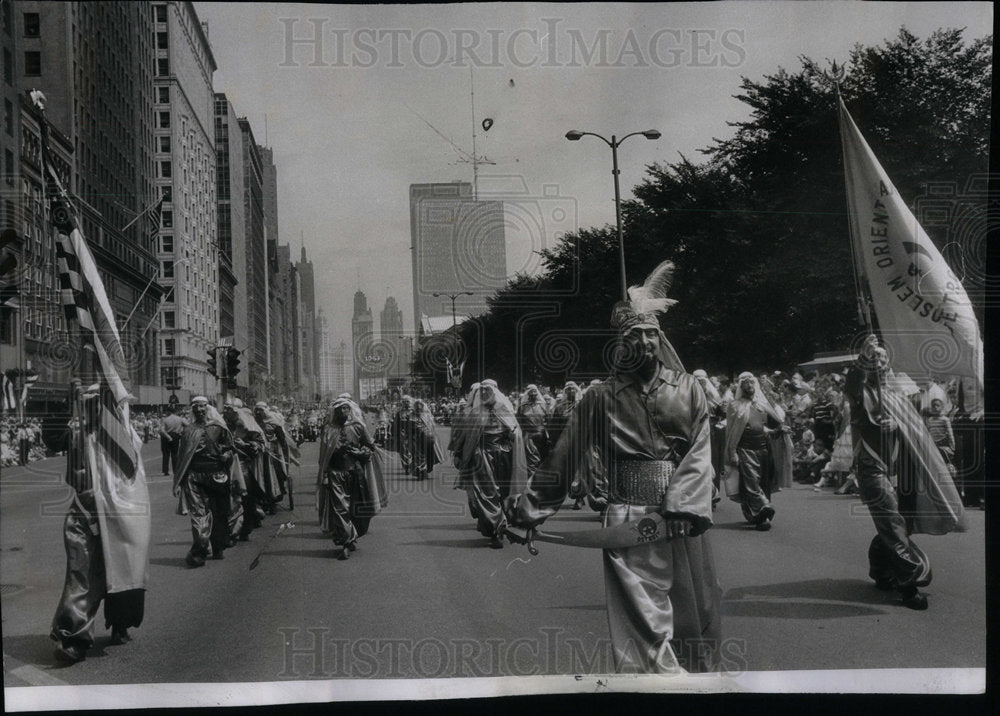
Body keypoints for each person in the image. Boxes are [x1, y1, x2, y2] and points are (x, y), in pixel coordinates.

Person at [508, 261, 721, 673]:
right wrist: (528, 511)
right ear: (621, 344)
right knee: (643, 619)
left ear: (661, 339)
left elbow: (700, 448)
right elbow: (563, 458)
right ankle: (658, 688)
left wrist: (682, 505)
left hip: (681, 517)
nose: (644, 341)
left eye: (650, 334)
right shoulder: (599, 398)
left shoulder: (689, 390)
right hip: (627, 517)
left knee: (693, 611)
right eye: (634, 335)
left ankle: (691, 682)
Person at [844, 335, 965, 610]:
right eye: (875, 359)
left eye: (883, 359)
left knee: (900, 523)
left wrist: (896, 425)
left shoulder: (898, 397)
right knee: (892, 523)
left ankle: (880, 569)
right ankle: (909, 584)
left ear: (890, 367)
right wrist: (863, 358)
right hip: (873, 469)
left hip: (902, 470)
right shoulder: (862, 395)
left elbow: (916, 434)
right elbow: (853, 386)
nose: (879, 363)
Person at [48, 382, 151, 663]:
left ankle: (121, 624)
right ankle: (73, 637)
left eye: (97, 403)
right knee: (80, 573)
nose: (91, 409)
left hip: (120, 513)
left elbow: (131, 476)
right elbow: (74, 476)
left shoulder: (123, 435)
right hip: (85, 511)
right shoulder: (77, 433)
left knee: (122, 568)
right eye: (87, 403)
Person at [450, 379, 528, 548]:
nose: (485, 393)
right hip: (481, 457)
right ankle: (496, 531)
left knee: (504, 492)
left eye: (488, 390)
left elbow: (515, 434)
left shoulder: (505, 410)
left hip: (504, 457)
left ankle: (500, 522)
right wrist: (458, 454)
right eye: (482, 391)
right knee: (487, 492)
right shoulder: (475, 413)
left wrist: (512, 438)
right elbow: (465, 437)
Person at [316, 397, 388, 559]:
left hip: (356, 473)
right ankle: (346, 543)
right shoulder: (327, 429)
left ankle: (353, 535)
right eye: (340, 409)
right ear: (334, 411)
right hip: (335, 474)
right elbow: (323, 456)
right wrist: (326, 474)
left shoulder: (357, 427)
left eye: (346, 408)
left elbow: (370, 448)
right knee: (340, 508)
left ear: (350, 410)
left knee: (357, 508)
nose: (343, 412)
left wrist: (359, 452)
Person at [172, 397, 239, 567]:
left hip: (217, 475)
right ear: (193, 410)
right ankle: (199, 552)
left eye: (203, 407)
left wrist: (227, 455)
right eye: (197, 407)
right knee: (199, 514)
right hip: (195, 477)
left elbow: (230, 448)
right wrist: (180, 481)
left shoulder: (218, 426)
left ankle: (218, 547)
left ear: (207, 408)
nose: (200, 410)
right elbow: (183, 457)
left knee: (219, 512)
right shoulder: (188, 430)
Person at [724, 372, 785, 531]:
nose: (749, 385)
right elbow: (731, 431)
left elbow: (774, 425)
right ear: (741, 386)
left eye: (752, 382)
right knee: (751, 482)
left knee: (763, 482)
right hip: (745, 448)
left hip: (763, 448)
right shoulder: (734, 405)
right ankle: (764, 507)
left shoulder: (762, 404)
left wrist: (780, 429)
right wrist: (732, 452)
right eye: (746, 383)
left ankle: (758, 516)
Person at [223, 398, 266, 541]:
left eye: (230, 410)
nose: (227, 412)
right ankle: (231, 529)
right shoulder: (222, 425)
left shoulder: (248, 425)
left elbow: (259, 444)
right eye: (226, 410)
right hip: (226, 467)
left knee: (246, 498)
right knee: (229, 500)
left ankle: (245, 528)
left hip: (244, 467)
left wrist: (246, 444)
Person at [253, 401, 295, 512]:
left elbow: (282, 440)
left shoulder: (273, 422)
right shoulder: (253, 422)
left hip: (272, 454)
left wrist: (285, 455)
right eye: (257, 410)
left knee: (275, 475)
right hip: (258, 454)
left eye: (261, 410)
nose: (258, 412)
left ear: (265, 410)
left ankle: (273, 499)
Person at [515, 384, 550, 479]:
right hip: (528, 436)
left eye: (535, 393)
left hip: (541, 436)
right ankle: (531, 480)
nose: (533, 396)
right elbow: (519, 421)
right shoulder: (522, 407)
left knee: (542, 457)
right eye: (531, 394)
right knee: (531, 460)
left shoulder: (543, 405)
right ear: (528, 394)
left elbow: (548, 419)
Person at [410, 399, 444, 480]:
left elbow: (432, 427)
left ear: (422, 408)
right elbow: (409, 427)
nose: (418, 410)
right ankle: (421, 472)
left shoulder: (426, 416)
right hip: (416, 440)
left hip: (428, 439)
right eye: (417, 408)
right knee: (418, 457)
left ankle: (426, 470)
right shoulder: (411, 416)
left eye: (420, 408)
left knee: (429, 455)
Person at [159, 405, 187, 476]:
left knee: (165, 454)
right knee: (175, 454)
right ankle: (176, 470)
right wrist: (182, 433)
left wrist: (168, 437)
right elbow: (188, 425)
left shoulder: (165, 419)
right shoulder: (180, 419)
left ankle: (165, 471)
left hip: (166, 436)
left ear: (168, 412)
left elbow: (162, 430)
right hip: (176, 436)